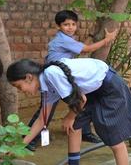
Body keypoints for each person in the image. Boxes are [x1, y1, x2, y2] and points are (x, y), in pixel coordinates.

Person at [7, 58, 131, 165]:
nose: (21, 91)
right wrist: (19, 146)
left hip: (108, 86)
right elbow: (42, 119)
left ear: (29, 77)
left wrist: (70, 117)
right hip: (91, 90)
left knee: (113, 139)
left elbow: (81, 100)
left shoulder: (51, 74)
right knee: (75, 126)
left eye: (19, 86)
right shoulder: (46, 85)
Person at [26, 10, 117, 151]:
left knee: (76, 104)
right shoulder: (63, 40)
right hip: (55, 77)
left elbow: (79, 49)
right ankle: (31, 139)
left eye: (73, 24)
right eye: (66, 24)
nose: (70, 27)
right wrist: (106, 40)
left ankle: (85, 132)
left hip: (63, 76)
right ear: (58, 26)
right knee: (46, 110)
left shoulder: (67, 40)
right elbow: (86, 49)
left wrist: (91, 36)